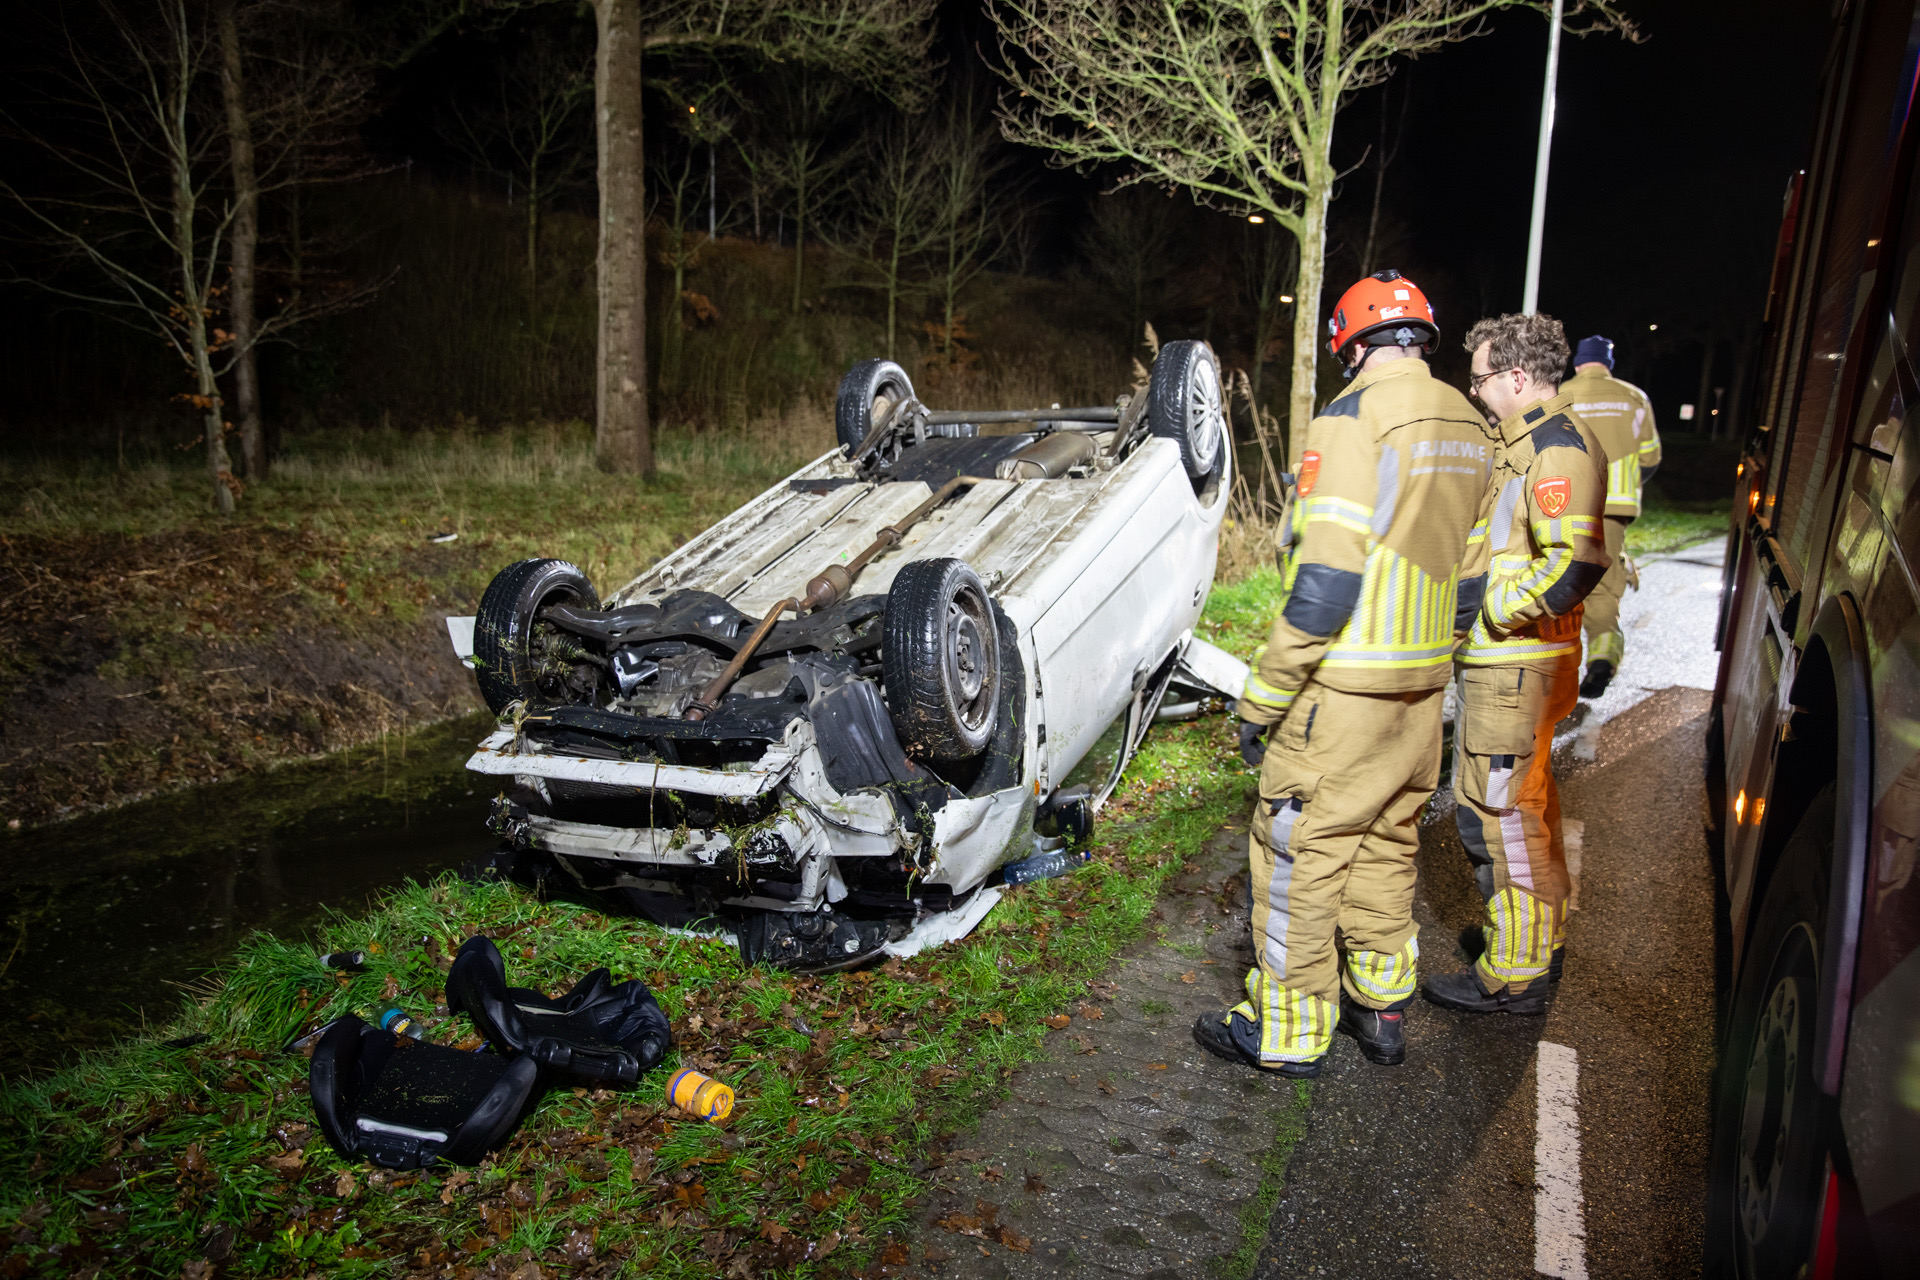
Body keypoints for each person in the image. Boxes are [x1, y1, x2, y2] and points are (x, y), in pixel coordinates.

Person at [1193, 270, 1495, 1075]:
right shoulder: (1473, 425)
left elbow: (1324, 583)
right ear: (1421, 337)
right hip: (1423, 692)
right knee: (1390, 843)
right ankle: (1384, 1004)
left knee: (1297, 852)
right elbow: (1473, 577)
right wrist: (1436, 663)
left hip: (1344, 691)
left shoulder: (1351, 419)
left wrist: (1263, 697)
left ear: (1351, 344)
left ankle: (1288, 1029)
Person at [1423, 313, 1610, 1015]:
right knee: (1524, 809)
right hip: (1516, 661)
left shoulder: (1553, 449)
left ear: (1517, 377)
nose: (1474, 392)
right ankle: (1536, 939)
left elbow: (1575, 565)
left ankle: (1516, 973)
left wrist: (1493, 610)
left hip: (1517, 663)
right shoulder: (1523, 441)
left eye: (1479, 379)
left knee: (1493, 815)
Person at [1562, 335, 1661, 698]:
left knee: (1559, 580)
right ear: (1609, 364)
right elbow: (1649, 457)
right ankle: (1601, 660)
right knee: (1602, 586)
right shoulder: (1634, 398)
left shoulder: (1562, 394)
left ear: (1578, 363)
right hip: (1613, 510)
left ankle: (1552, 673)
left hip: (1565, 504)